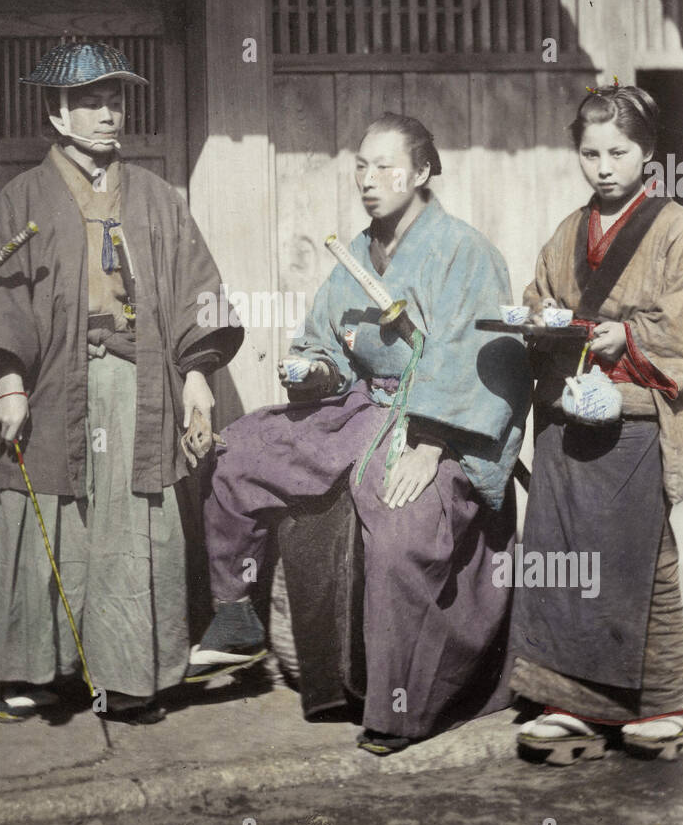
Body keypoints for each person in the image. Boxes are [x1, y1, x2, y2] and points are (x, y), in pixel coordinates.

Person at [189, 112, 531, 754]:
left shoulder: (466, 251)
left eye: (386, 166)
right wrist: (310, 369)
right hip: (361, 411)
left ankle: (399, 708)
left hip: (440, 426)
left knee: (402, 529)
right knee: (238, 452)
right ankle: (234, 614)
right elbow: (323, 343)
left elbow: (481, 360)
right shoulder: (355, 255)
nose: (368, 180)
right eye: (361, 166)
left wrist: (430, 447)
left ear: (423, 171)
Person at [0, 41, 242, 725]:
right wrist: (7, 380)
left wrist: (198, 376)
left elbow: (197, 290)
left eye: (114, 98)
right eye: (90, 100)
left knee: (131, 520)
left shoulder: (155, 197)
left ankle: (129, 674)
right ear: (57, 114)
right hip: (51, 377)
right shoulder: (22, 198)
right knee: (45, 515)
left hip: (135, 377)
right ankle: (33, 672)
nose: (108, 111)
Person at [510, 84, 683, 765]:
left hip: (634, 417)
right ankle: (564, 700)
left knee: (640, 561)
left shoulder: (678, 230)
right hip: (567, 416)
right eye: (589, 152)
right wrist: (540, 321)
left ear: (648, 153)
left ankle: (663, 703)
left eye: (618, 151)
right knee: (561, 553)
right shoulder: (567, 231)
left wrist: (626, 337)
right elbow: (541, 296)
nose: (603, 166)